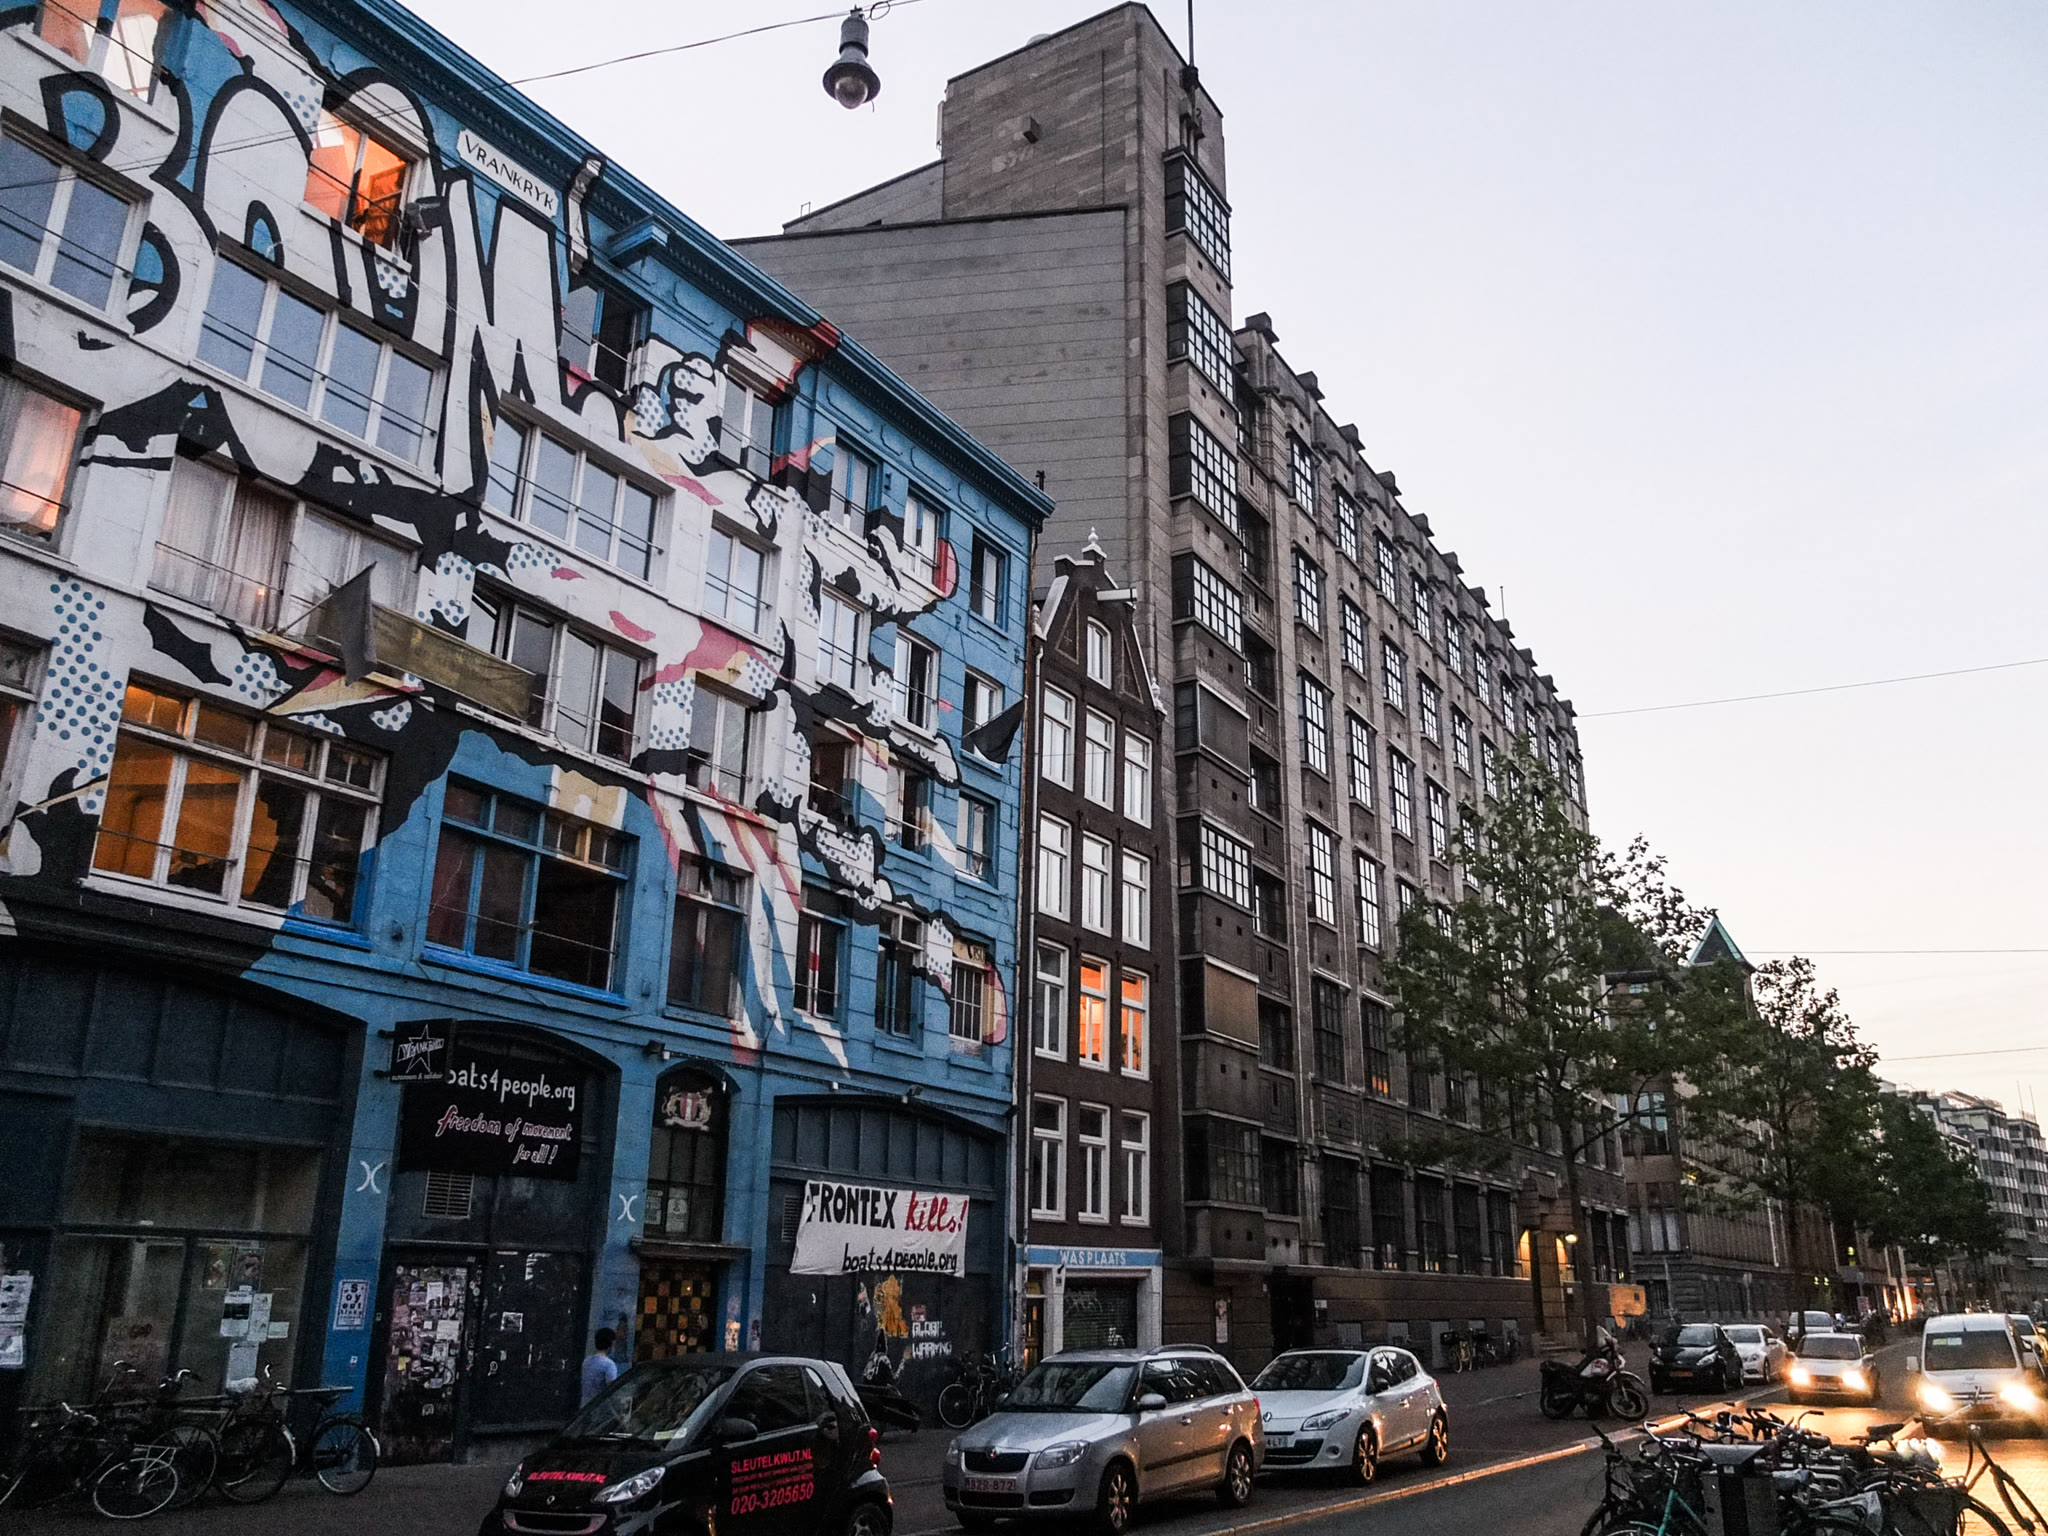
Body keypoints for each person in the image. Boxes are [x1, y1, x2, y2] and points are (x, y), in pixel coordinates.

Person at [581, 1327, 619, 1405]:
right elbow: (612, 1390)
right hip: (600, 1408)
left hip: (585, 1406)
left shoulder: (586, 1361)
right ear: (611, 1344)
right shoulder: (609, 1365)